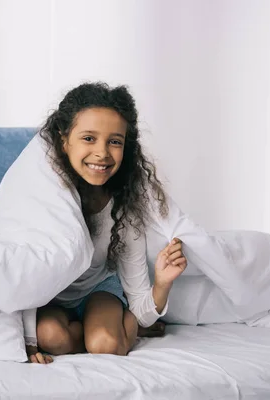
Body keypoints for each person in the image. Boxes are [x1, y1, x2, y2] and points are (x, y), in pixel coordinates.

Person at [27, 82, 187, 363]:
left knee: (105, 345)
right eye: (89, 138)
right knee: (50, 336)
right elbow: (21, 276)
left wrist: (161, 283)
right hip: (52, 298)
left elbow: (142, 302)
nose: (102, 152)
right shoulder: (43, 199)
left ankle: (118, 329)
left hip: (98, 290)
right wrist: (27, 343)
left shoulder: (123, 208)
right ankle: (92, 332)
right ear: (64, 141)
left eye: (114, 141)